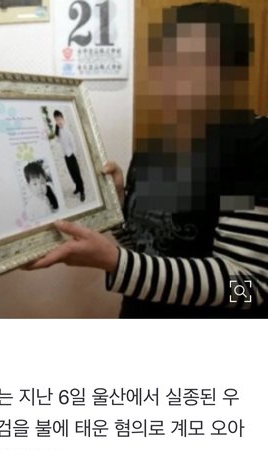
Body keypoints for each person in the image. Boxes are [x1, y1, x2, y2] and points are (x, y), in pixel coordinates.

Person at [30, 2, 268, 317]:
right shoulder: (154, 147)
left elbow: (250, 287)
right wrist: (118, 205)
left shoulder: (254, 144)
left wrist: (116, 262)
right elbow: (146, 247)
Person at [54, 110, 85, 202]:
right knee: (72, 173)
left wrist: (73, 153)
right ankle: (77, 187)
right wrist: (56, 132)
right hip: (66, 156)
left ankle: (82, 191)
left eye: (59, 119)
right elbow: (58, 141)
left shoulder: (67, 131)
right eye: (56, 120)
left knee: (77, 173)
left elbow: (73, 143)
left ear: (63, 119)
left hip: (71, 155)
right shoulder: (59, 131)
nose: (58, 121)